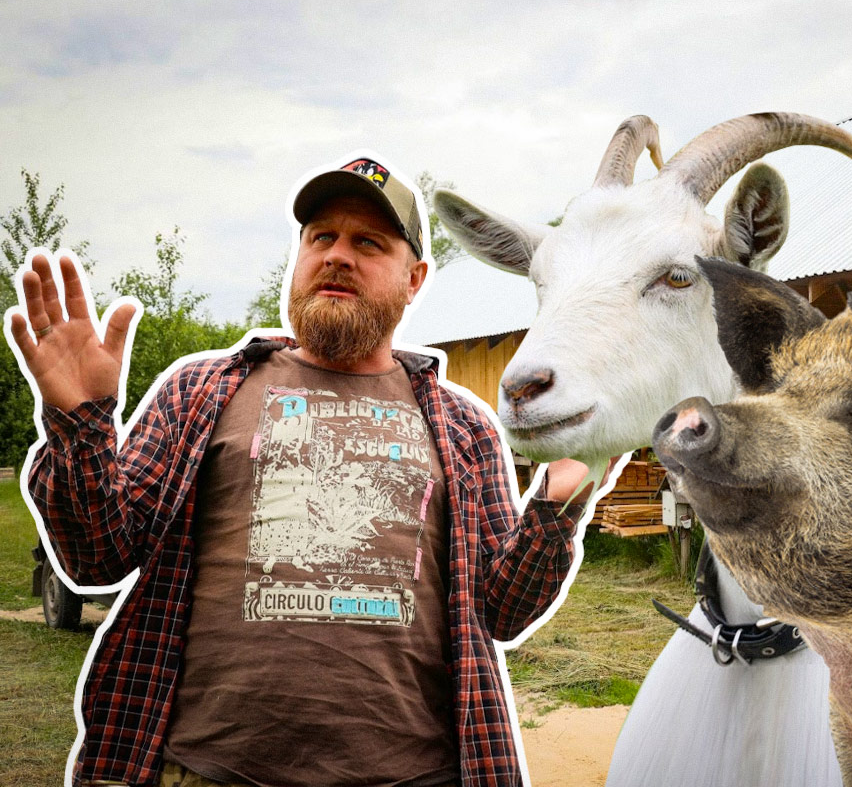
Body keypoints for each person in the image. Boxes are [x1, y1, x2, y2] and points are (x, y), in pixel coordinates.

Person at [8, 156, 599, 787]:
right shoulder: (200, 391)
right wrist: (82, 426)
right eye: (322, 237)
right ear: (299, 258)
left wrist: (555, 509)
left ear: (415, 279)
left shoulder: (463, 427)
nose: (338, 255)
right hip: (203, 771)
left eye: (368, 243)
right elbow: (96, 555)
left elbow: (501, 613)